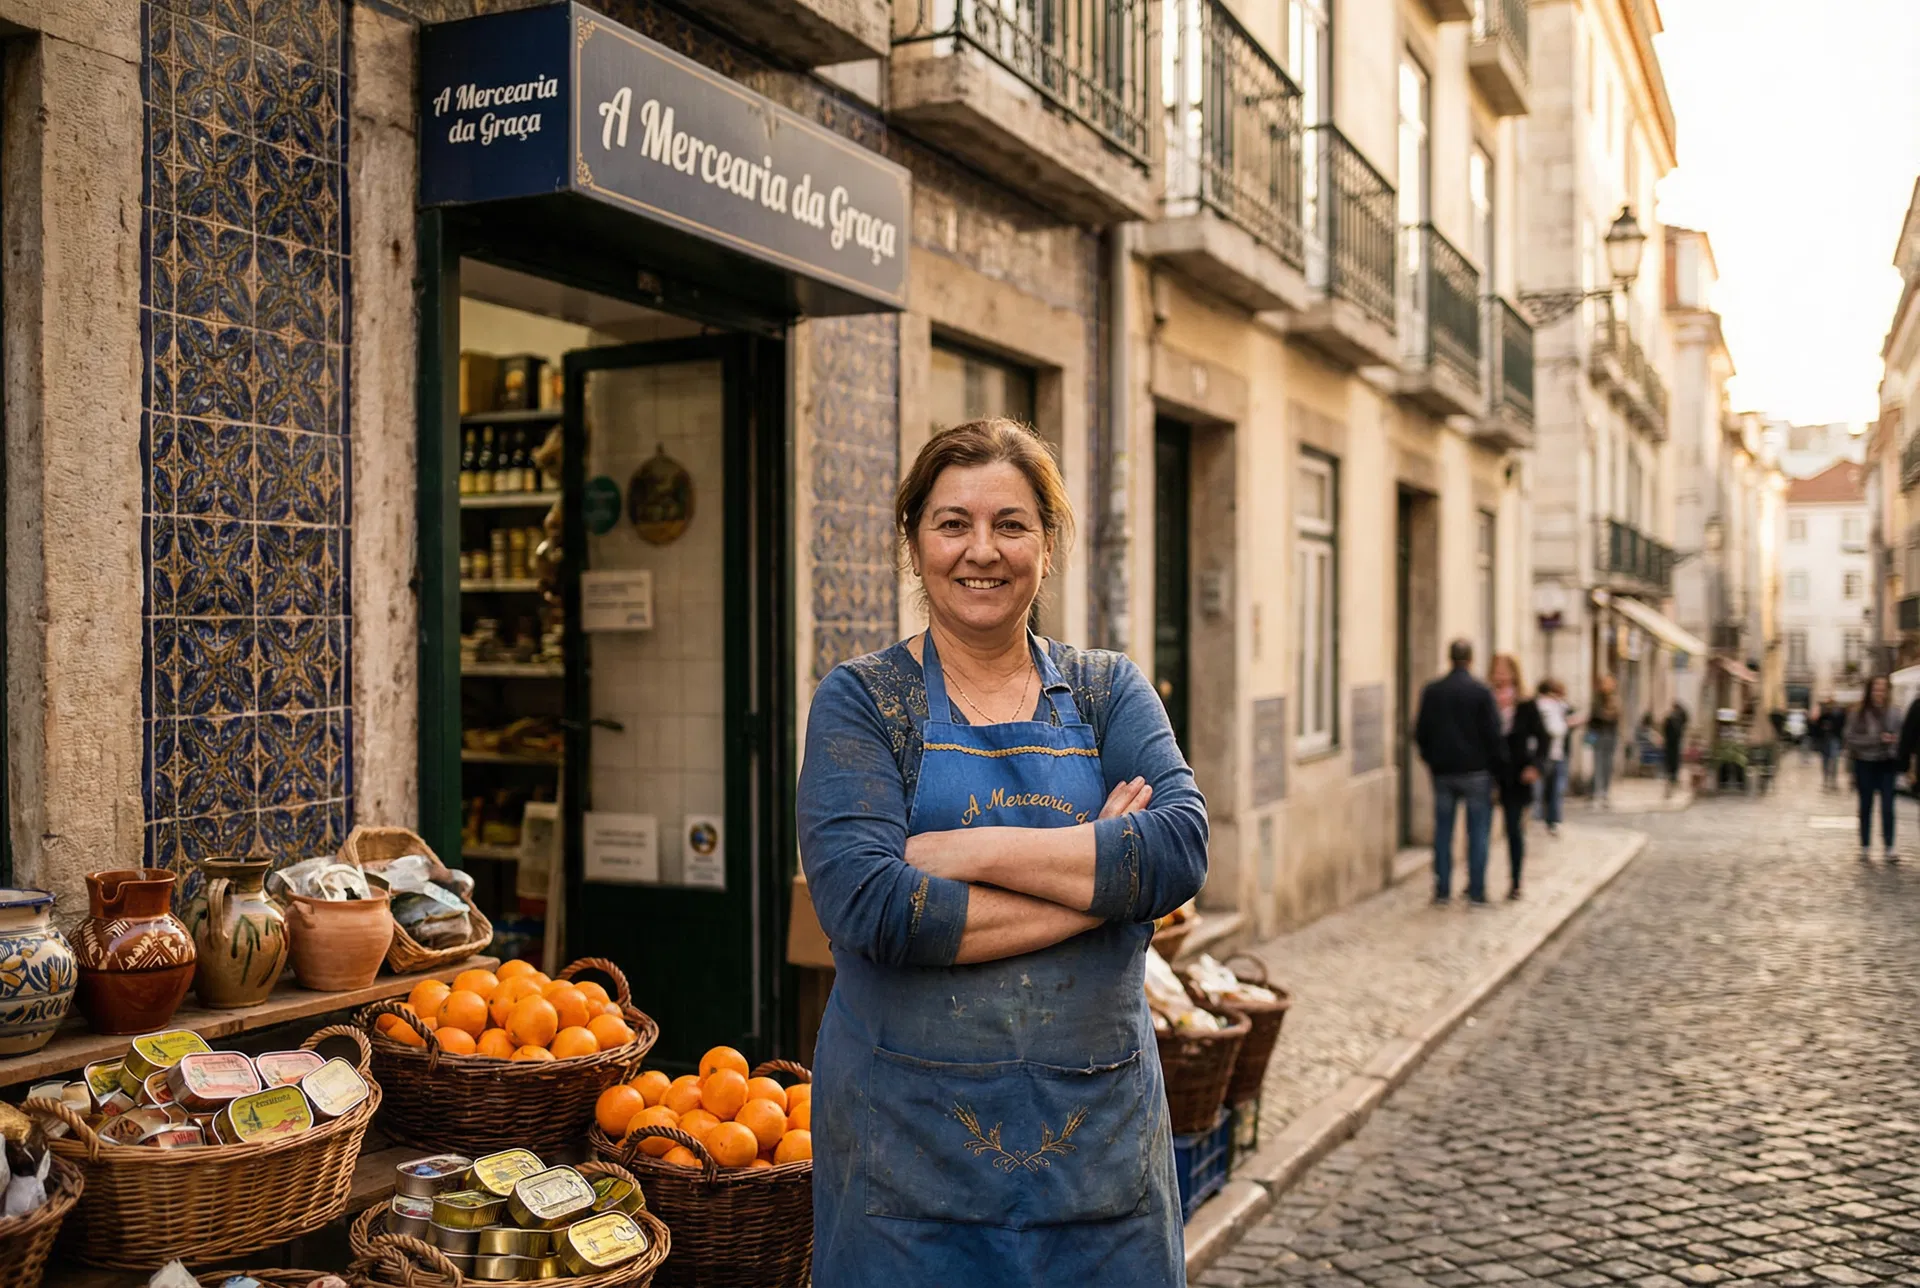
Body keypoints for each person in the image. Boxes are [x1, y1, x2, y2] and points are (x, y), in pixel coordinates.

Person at [796, 419, 1207, 1285]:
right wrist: (1102, 878)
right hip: (905, 1169)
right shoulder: (864, 704)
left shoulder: (1109, 691)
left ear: (1047, 547)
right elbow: (874, 909)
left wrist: (962, 849)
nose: (981, 550)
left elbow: (1175, 853)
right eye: (953, 523)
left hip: (1096, 1160)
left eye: (1011, 524)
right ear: (915, 544)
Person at [1414, 639, 1506, 907]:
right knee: (1477, 832)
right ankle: (1476, 890)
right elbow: (1494, 733)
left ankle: (1442, 890)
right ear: (1471, 659)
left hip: (1443, 772)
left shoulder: (1433, 691)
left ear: (1449, 658)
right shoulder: (1481, 692)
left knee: (1443, 831)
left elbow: (1420, 732)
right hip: (1476, 771)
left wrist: (1431, 759)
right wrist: (1496, 769)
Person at [1489, 654, 1547, 900]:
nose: (1500, 675)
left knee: (1514, 830)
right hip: (1489, 774)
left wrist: (1535, 766)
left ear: (1514, 673)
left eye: (1505, 670)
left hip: (1517, 776)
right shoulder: (1486, 701)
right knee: (1478, 830)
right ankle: (1475, 882)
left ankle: (1515, 881)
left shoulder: (1526, 704)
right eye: (1497, 670)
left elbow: (1544, 737)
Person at [1844, 674, 1901, 862]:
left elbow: (1901, 738)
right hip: (1865, 763)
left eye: (1883, 689)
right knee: (1866, 805)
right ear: (1870, 691)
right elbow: (1850, 739)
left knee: (1887, 806)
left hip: (1887, 763)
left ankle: (1889, 846)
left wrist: (1893, 743)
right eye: (1876, 688)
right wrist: (1876, 740)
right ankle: (1865, 846)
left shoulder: (1894, 712)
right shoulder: (1859, 713)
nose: (1880, 693)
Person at [1535, 678, 1571, 837]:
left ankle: (1547, 820)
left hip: (1552, 753)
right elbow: (1556, 729)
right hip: (1550, 754)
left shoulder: (1553, 705)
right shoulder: (1546, 706)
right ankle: (1548, 821)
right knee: (1551, 790)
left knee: (1549, 790)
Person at [1588, 674, 1621, 808]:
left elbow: (1617, 715)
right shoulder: (1597, 699)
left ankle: (1605, 793)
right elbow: (1596, 715)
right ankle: (1597, 792)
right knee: (1598, 763)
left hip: (1611, 734)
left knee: (1608, 764)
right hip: (1599, 734)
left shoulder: (1615, 699)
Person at [1816, 699, 1847, 790]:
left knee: (1834, 760)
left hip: (1834, 740)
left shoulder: (1839, 716)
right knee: (1825, 761)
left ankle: (1833, 780)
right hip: (1824, 741)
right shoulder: (1823, 717)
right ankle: (1826, 779)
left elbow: (1842, 728)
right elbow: (1817, 728)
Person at [1661, 701, 1689, 796]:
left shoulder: (1670, 718)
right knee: (1674, 761)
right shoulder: (1679, 718)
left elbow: (1664, 729)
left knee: (1670, 761)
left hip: (1669, 744)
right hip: (1675, 744)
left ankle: (1670, 777)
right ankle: (1672, 777)